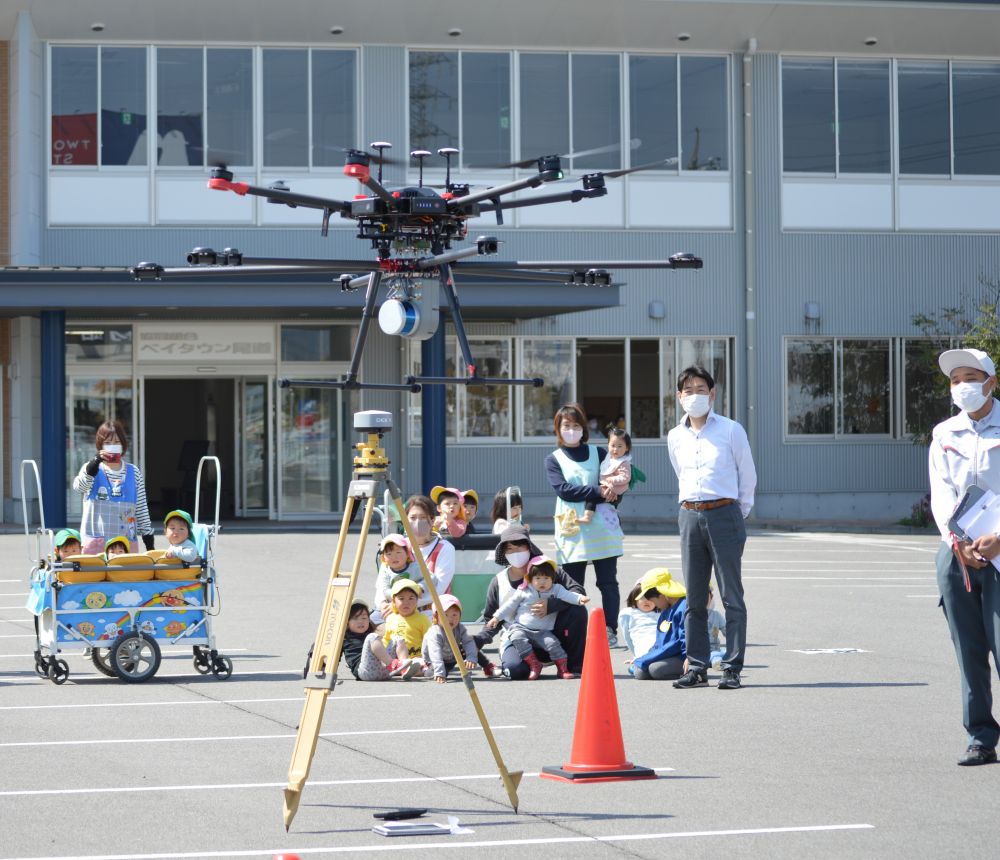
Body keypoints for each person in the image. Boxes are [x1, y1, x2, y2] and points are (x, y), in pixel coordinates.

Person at [929, 347, 1000, 766]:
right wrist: (955, 541)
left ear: (991, 382)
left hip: (998, 550)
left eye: (971, 378)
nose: (962, 387)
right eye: (955, 380)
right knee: (969, 650)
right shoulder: (944, 434)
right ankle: (980, 736)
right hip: (957, 554)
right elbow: (941, 496)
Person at [667, 366, 756, 690]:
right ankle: (698, 666)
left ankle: (731, 667)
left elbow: (747, 475)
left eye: (700, 389)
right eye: (688, 390)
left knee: (732, 595)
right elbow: (680, 473)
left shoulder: (731, 430)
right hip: (690, 514)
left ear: (713, 393)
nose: (694, 395)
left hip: (724, 513)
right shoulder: (675, 436)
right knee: (694, 597)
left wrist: (738, 511)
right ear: (679, 397)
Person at [545, 402, 624, 648]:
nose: (571, 430)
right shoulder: (553, 459)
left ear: (584, 428)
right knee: (571, 585)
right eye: (566, 425)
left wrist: (612, 493)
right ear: (558, 429)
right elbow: (564, 490)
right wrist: (598, 491)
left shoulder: (599, 453)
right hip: (572, 528)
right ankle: (571, 631)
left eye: (576, 425)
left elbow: (615, 485)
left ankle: (610, 629)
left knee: (607, 582)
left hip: (602, 527)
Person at [479, 525, 588, 679]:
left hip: (550, 634)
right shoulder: (498, 581)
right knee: (516, 671)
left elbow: (578, 592)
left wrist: (551, 605)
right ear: (504, 553)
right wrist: (478, 640)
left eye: (520, 547)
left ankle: (574, 665)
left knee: (577, 610)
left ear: (529, 547)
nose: (515, 553)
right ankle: (531, 663)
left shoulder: (550, 570)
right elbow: (491, 618)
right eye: (509, 549)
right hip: (518, 638)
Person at [72, 420, 154, 555]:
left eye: (117, 442)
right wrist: (93, 466)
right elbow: (79, 487)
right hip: (95, 548)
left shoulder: (134, 472)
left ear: (123, 445)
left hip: (125, 547)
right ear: (100, 445)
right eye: (108, 443)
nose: (113, 446)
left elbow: (141, 509)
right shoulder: (92, 468)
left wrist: (149, 543)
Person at [630, 568, 688, 681]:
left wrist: (648, 658)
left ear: (662, 595)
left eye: (653, 601)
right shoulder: (665, 610)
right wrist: (647, 656)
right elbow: (659, 642)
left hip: (682, 656)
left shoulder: (683, 607)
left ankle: (688, 672)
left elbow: (679, 642)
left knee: (655, 669)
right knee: (640, 672)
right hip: (665, 654)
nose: (655, 605)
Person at [404, 495, 456, 616]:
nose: (417, 522)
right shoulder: (399, 546)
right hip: (398, 608)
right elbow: (383, 582)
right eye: (412, 517)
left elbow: (439, 587)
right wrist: (383, 603)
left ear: (432, 520)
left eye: (423, 517)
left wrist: (405, 605)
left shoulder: (445, 548)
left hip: (433, 611)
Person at [421, 594, 479, 683]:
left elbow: (468, 642)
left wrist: (471, 658)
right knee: (443, 673)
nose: (450, 619)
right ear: (436, 617)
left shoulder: (460, 628)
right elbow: (435, 653)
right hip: (435, 660)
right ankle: (426, 670)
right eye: (445, 615)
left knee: (474, 646)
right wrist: (440, 672)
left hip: (452, 656)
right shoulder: (435, 633)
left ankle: (488, 667)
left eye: (454, 615)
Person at [580, 428, 632, 524]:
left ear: (627, 448)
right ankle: (615, 524)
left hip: (616, 493)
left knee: (593, 498)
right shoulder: (609, 459)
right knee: (606, 510)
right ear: (608, 445)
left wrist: (612, 480)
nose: (615, 449)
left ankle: (587, 517)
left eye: (620, 446)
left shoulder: (624, 463)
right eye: (612, 445)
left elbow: (625, 477)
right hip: (607, 489)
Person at [382, 578, 430, 679]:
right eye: (401, 598)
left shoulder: (422, 619)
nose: (406, 602)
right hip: (395, 659)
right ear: (393, 601)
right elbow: (386, 639)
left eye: (411, 598)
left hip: (415, 657)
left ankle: (414, 670)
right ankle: (403, 669)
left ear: (417, 601)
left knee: (420, 663)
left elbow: (429, 640)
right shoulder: (391, 618)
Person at [340, 599, 398, 682]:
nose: (360, 622)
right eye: (355, 618)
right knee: (372, 637)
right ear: (347, 622)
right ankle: (393, 664)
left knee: (396, 639)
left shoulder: (371, 633)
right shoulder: (345, 638)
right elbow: (333, 656)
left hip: (383, 671)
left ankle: (404, 667)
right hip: (365, 671)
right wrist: (323, 667)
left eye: (364, 618)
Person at [371, 534, 415, 625]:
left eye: (398, 552)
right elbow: (382, 588)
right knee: (371, 620)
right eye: (389, 554)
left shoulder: (415, 567)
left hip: (410, 607)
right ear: (383, 558)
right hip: (389, 605)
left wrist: (420, 587)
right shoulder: (386, 570)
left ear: (407, 553)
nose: (394, 557)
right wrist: (383, 604)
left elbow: (430, 581)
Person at [618, 578, 660, 669]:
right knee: (642, 671)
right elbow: (627, 637)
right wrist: (635, 656)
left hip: (659, 651)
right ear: (634, 598)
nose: (646, 600)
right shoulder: (628, 613)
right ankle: (639, 662)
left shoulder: (662, 614)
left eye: (651, 597)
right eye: (642, 597)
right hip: (642, 651)